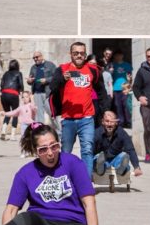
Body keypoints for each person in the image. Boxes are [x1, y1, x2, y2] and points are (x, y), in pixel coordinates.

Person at [50, 42, 110, 175]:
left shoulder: (93, 70)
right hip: (68, 119)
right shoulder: (62, 69)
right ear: (70, 54)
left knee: (87, 149)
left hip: (87, 118)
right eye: (76, 53)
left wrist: (105, 111)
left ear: (85, 55)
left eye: (82, 53)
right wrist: (62, 79)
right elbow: (52, 87)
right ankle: (64, 179)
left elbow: (101, 92)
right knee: (66, 151)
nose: (79, 56)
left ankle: (86, 184)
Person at [93, 111, 143, 178]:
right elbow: (90, 151)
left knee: (123, 156)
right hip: (101, 160)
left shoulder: (121, 132)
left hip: (115, 160)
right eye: (107, 121)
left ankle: (120, 169)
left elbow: (130, 149)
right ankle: (100, 169)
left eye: (112, 122)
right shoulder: (97, 133)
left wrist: (136, 167)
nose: (109, 124)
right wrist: (88, 170)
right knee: (98, 157)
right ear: (103, 122)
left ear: (116, 123)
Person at [27, 51, 57, 124]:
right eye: (34, 58)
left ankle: (58, 132)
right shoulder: (33, 67)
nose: (35, 59)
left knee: (52, 113)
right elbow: (30, 80)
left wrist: (46, 80)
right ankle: (41, 132)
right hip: (37, 93)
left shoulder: (50, 65)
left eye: (37, 57)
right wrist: (29, 81)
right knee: (39, 115)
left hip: (48, 93)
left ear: (41, 56)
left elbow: (56, 77)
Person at [0, 59, 25, 141]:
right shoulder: (19, 73)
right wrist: (22, 91)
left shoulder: (6, 73)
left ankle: (3, 130)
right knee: (15, 114)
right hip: (13, 94)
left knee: (7, 113)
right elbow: (21, 84)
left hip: (4, 94)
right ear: (17, 66)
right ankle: (13, 135)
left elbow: (1, 84)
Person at [109, 50, 133, 128]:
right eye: (116, 56)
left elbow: (130, 76)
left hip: (125, 88)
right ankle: (121, 122)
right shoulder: (112, 65)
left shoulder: (127, 65)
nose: (118, 57)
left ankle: (129, 121)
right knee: (117, 106)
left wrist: (129, 86)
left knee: (126, 105)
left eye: (120, 55)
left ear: (122, 56)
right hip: (115, 89)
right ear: (114, 57)